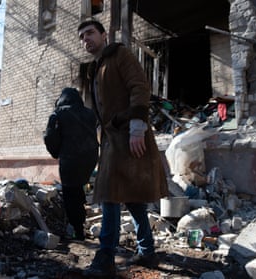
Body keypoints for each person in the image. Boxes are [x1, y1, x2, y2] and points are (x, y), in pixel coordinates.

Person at [77, 20, 168, 277]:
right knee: (131, 197)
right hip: (112, 141)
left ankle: (106, 256)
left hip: (129, 135)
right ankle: (147, 250)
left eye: (90, 33)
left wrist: (138, 127)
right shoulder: (95, 69)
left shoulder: (119, 54)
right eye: (82, 37)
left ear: (104, 35)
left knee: (110, 194)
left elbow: (139, 86)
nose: (86, 40)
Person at [43, 87, 99, 240]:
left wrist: (56, 153)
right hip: (90, 159)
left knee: (70, 193)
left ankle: (77, 229)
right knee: (78, 187)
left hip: (70, 159)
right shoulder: (89, 113)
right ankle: (80, 220)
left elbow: (49, 137)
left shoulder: (58, 114)